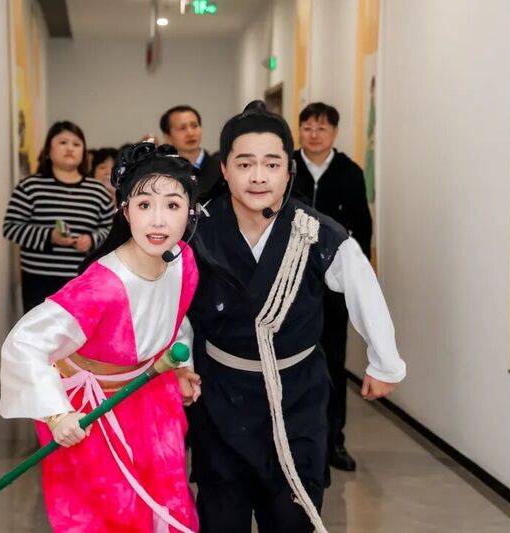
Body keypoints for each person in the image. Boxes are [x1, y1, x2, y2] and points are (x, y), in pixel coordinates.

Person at [187, 101, 406, 533]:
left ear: (288, 171)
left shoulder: (316, 232)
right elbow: (176, 307)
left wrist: (385, 362)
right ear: (224, 169)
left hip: (296, 396)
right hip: (222, 395)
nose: (258, 176)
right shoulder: (197, 231)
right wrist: (178, 365)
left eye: (271, 164)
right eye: (244, 163)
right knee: (221, 516)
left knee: (292, 516)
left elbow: (364, 288)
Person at [0, 142, 203, 533]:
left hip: (151, 393)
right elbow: (26, 343)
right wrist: (57, 413)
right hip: (93, 408)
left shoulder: (184, 261)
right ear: (125, 211)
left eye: (173, 205)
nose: (158, 221)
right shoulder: (101, 287)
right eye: (144, 205)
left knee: (167, 500)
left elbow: (174, 321)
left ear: (190, 211)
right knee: (111, 512)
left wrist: (180, 368)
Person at [293, 102, 374, 472]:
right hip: (290, 285)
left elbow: (363, 229)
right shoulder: (287, 167)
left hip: (332, 289)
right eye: (307, 127)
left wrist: (356, 282)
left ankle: (333, 441)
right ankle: (291, 441)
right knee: (291, 365)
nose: (313, 135)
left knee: (332, 364)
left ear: (334, 133)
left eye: (321, 128)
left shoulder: (349, 173)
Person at [2, 121, 115, 313]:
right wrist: (50, 236)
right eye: (63, 142)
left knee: (80, 331)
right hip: (38, 280)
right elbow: (11, 227)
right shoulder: (30, 187)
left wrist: (92, 239)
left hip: (83, 279)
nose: (70, 148)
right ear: (48, 150)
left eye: (76, 144)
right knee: (40, 331)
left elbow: (111, 230)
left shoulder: (97, 191)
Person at [160, 105, 226, 204]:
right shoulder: (162, 173)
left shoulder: (222, 168)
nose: (190, 133)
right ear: (168, 137)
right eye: (182, 128)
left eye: (194, 126)